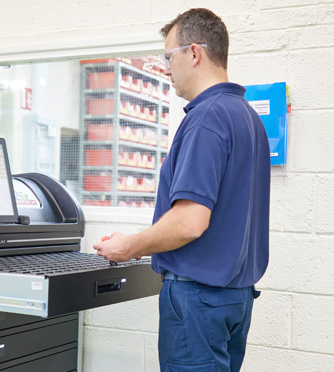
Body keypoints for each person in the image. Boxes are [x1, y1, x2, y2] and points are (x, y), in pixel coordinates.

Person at [92, 8, 270, 372]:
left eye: (168, 57)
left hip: (198, 299)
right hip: (234, 298)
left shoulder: (206, 118)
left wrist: (129, 246)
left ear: (194, 53)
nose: (165, 68)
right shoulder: (246, 116)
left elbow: (190, 222)